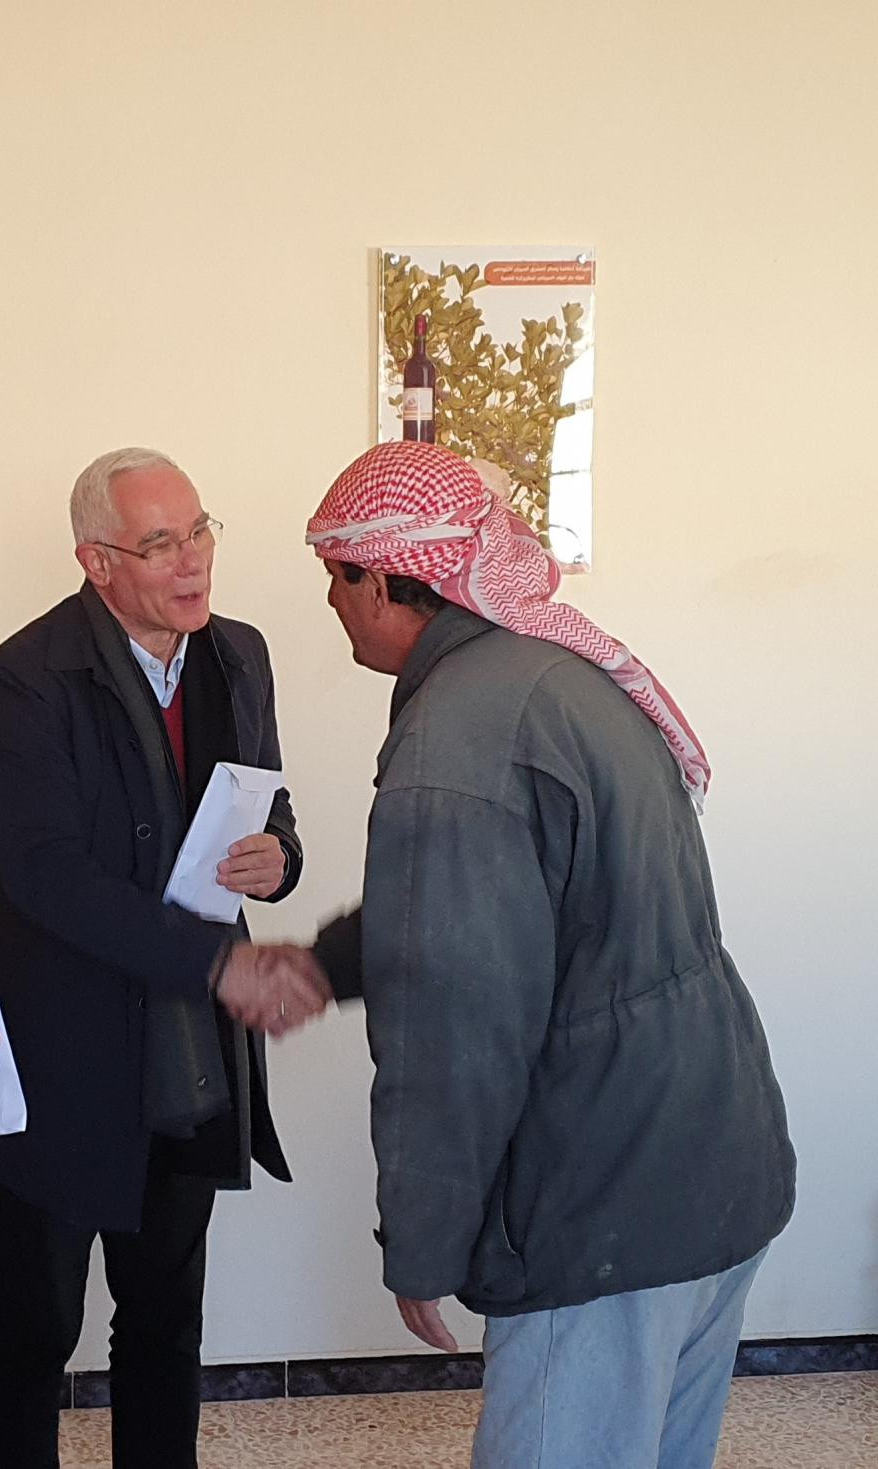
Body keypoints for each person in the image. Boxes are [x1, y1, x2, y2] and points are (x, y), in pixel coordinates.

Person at [304, 440, 796, 1469]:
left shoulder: (456, 738)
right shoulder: (558, 676)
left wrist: (421, 1242)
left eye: (335, 577)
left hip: (604, 1204)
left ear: (387, 580)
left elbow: (454, 1028)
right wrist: (323, 964)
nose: (330, 603)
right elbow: (535, 900)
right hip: (713, 1152)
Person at [0, 446, 328, 1469]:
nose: (193, 559)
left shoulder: (238, 654)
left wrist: (280, 856)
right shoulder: (23, 676)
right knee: (32, 1327)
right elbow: (46, 876)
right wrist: (214, 964)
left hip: (185, 1049)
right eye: (160, 543)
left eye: (199, 530)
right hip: (59, 1048)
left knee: (164, 1320)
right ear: (97, 561)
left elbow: (267, 800)